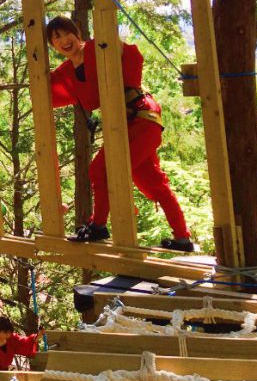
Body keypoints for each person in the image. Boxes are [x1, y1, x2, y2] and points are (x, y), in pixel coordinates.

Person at [47, 16, 191, 251]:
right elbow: (48, 89)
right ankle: (183, 238)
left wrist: (115, 46)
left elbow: (133, 55)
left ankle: (98, 226)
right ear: (53, 46)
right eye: (56, 38)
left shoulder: (99, 47)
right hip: (125, 125)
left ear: (78, 33)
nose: (64, 40)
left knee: (100, 169)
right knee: (153, 184)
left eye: (66, 33)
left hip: (141, 118)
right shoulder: (66, 71)